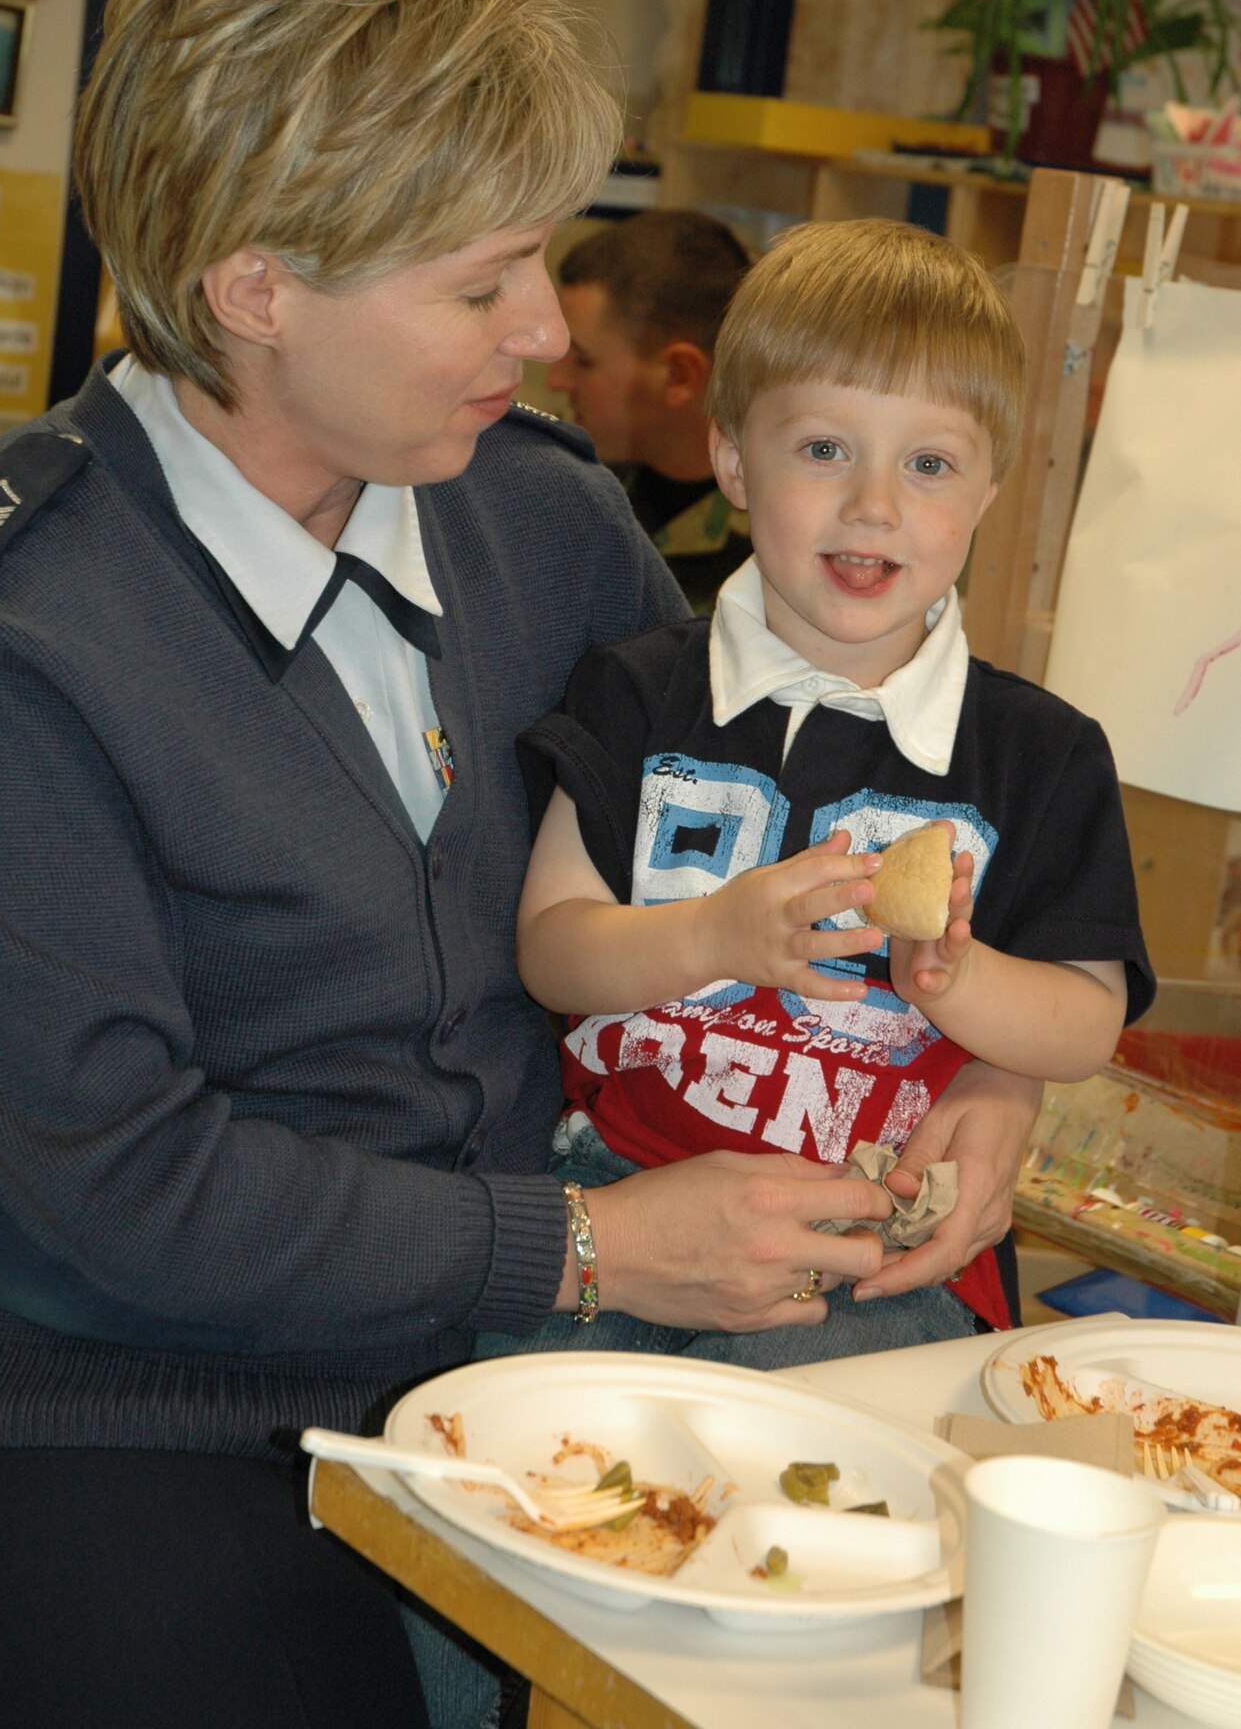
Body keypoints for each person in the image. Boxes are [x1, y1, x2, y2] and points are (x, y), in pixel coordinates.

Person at [0, 0, 1046, 1729]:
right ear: (254, 285)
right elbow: (108, 1199)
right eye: (478, 282)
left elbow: (805, 851)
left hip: (536, 1348)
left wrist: (987, 1071)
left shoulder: (535, 516)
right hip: (133, 1400)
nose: (541, 327)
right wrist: (590, 1248)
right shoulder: (2, 644)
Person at [481, 217, 1154, 1368]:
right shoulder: (639, 690)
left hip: (875, 1234)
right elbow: (552, 945)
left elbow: (1084, 1020)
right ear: (735, 458)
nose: (875, 505)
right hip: (623, 1192)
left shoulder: (1040, 752)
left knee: (819, 1493)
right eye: (825, 449)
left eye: (929, 463)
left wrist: (960, 976)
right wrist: (712, 930)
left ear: (990, 485)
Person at [546, 208, 752, 610]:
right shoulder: (572, 497)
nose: (557, 381)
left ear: (678, 376)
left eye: (583, 361)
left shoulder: (774, 556)